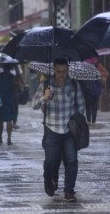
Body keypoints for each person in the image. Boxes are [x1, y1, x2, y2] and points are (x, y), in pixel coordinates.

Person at [31, 58, 85, 202]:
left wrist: (79, 123)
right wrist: (44, 98)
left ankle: (69, 191)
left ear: (67, 71)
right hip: (51, 129)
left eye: (64, 72)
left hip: (69, 130)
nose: (61, 75)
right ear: (54, 70)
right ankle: (48, 177)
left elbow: (80, 106)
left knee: (72, 159)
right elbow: (34, 104)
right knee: (51, 160)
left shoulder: (73, 85)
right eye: (58, 72)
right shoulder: (46, 85)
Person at [0, 64, 17, 145]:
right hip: (10, 100)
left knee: (0, 120)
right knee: (9, 120)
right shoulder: (13, 77)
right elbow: (17, 88)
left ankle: (0, 136)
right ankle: (9, 138)